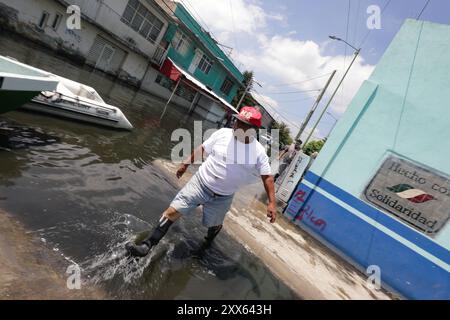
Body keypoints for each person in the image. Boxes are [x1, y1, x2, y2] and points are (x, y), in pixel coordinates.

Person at [126, 106, 277, 257]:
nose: (236, 125)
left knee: (214, 224)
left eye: (242, 124)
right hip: (200, 184)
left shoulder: (258, 152)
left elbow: (267, 177)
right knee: (172, 212)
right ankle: (147, 245)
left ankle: (209, 240)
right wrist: (185, 163)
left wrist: (271, 202)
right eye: (237, 121)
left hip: (223, 197)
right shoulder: (223, 134)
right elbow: (203, 148)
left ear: (253, 130)